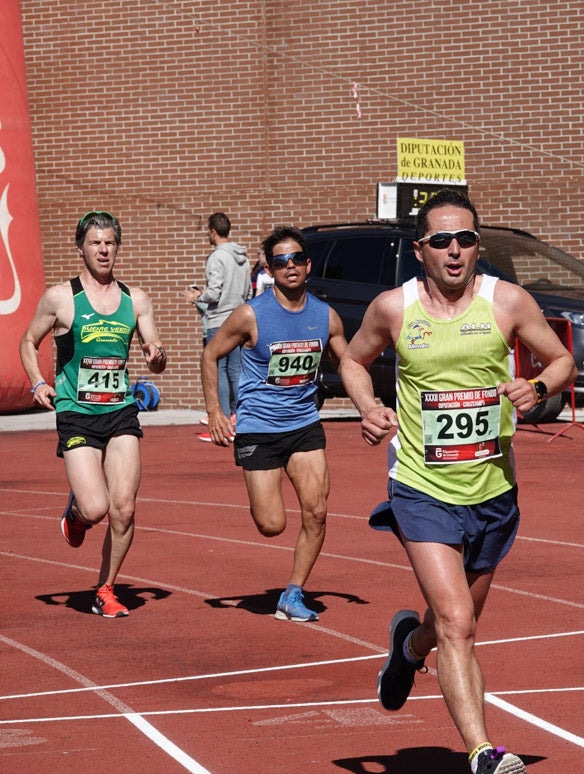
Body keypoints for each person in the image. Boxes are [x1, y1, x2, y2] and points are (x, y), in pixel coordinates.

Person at [338, 189, 577, 774]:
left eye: (465, 238)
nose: (454, 250)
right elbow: (355, 361)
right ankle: (483, 756)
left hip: (493, 492)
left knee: (448, 629)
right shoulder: (395, 308)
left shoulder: (508, 302)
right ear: (421, 250)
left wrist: (536, 386)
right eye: (441, 239)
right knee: (458, 624)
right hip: (421, 487)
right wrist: (369, 406)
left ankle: (405, 649)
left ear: (478, 246)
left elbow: (560, 358)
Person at [19, 210, 167, 618]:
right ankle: (77, 513)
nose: (103, 250)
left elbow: (155, 352)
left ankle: (105, 587)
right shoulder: (60, 298)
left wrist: (156, 356)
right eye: (95, 243)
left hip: (120, 411)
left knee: (125, 508)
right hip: (76, 413)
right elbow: (28, 342)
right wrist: (37, 383)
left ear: (117, 247)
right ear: (80, 248)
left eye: (110, 243)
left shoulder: (135, 299)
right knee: (96, 508)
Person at [201, 225, 347, 621]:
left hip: (303, 425)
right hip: (258, 428)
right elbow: (211, 354)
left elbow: (348, 362)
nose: (290, 266)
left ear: (308, 264)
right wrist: (216, 410)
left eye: (297, 258)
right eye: (281, 261)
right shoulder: (252, 314)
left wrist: (369, 406)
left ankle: (293, 593)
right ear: (270, 268)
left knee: (316, 511)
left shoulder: (325, 316)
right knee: (272, 524)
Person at [183, 212, 250, 418]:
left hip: (219, 320)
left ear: (213, 231)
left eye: (208, 232)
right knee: (237, 369)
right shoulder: (244, 258)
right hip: (240, 318)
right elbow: (248, 292)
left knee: (218, 367)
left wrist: (197, 296)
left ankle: (221, 416)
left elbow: (214, 293)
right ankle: (239, 415)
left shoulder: (217, 257)